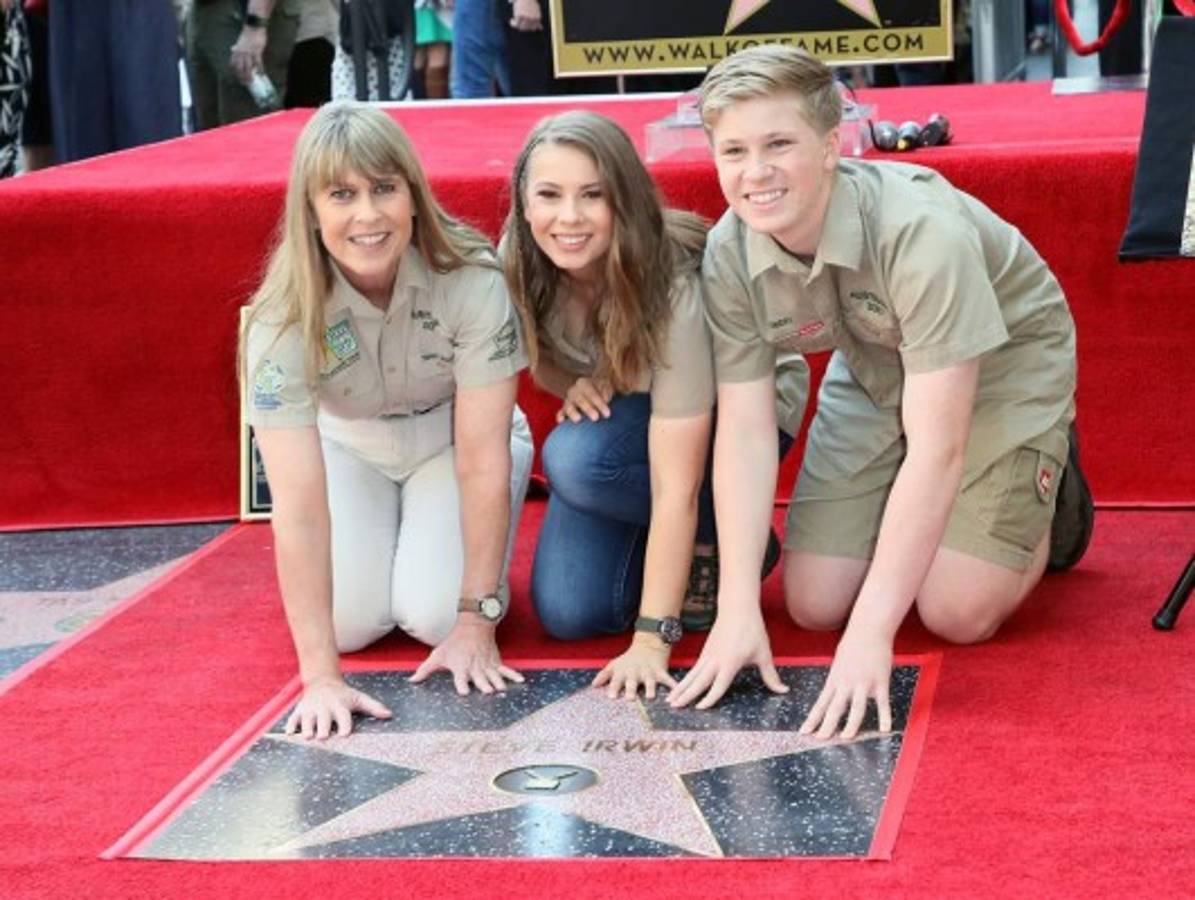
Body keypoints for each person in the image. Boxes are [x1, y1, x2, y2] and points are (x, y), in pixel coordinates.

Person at [669, 45, 1092, 735]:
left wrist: (870, 635)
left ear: (832, 146)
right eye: (733, 151)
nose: (755, 174)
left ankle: (1048, 480)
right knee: (812, 603)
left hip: (1002, 364)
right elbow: (744, 430)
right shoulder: (728, 251)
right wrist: (737, 608)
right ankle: (937, 507)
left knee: (954, 611)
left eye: (779, 144)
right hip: (877, 358)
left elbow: (937, 448)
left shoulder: (922, 236)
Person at [241, 102, 533, 739]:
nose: (367, 215)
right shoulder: (279, 318)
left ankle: (447, 560)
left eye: (383, 189)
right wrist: (320, 675)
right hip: (349, 445)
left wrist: (476, 621)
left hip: (453, 438)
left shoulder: (472, 281)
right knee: (348, 625)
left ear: (413, 196)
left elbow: (480, 460)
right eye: (342, 194)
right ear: (311, 212)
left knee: (433, 616)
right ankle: (394, 545)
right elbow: (297, 505)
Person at [500, 111, 803, 699]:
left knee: (575, 459)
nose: (568, 217)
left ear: (627, 199)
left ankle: (729, 531)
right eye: (549, 195)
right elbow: (539, 350)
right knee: (571, 612)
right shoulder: (519, 255)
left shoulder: (674, 288)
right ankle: (697, 549)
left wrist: (651, 638)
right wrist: (571, 381)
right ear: (523, 202)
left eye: (593, 195)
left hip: (738, 413)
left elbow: (675, 484)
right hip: (634, 418)